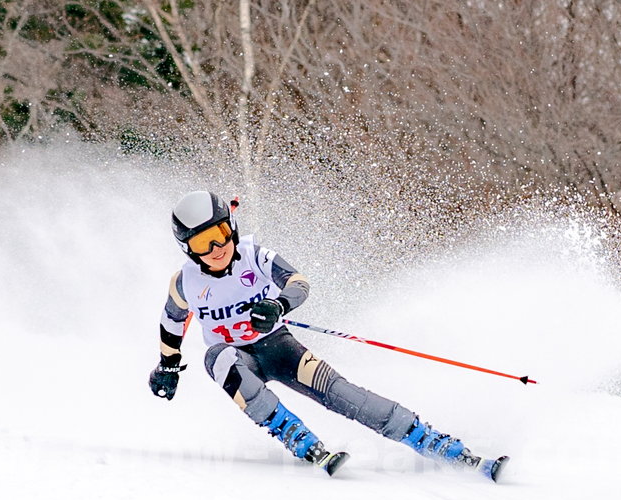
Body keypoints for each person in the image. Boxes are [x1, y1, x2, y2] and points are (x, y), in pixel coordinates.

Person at [148, 191, 508, 480]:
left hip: (277, 347)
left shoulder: (254, 257)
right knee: (221, 358)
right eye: (204, 243)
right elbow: (172, 323)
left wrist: (278, 305)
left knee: (341, 394)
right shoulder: (185, 283)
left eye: (222, 234)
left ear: (232, 227)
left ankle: (434, 442)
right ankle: (294, 435)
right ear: (188, 249)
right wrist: (168, 365)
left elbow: (298, 282)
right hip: (235, 358)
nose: (217, 248)